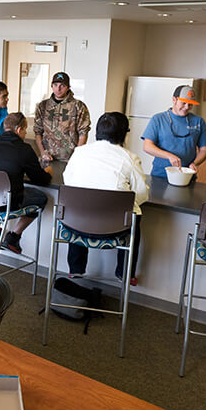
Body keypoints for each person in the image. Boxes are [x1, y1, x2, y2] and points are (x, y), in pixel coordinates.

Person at [63, 112, 149, 285]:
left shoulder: (79, 152)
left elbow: (68, 181)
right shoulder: (130, 158)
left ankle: (76, 269)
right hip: (113, 228)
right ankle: (124, 273)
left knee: (79, 206)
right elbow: (140, 195)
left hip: (76, 225)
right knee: (134, 215)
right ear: (124, 134)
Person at [0, 112, 52, 254]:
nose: (25, 133)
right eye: (25, 130)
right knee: (40, 198)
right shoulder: (24, 149)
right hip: (7, 203)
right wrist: (48, 171)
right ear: (18, 129)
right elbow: (41, 180)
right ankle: (13, 236)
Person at [142, 84, 206, 181]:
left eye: (190, 104)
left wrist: (195, 163)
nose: (187, 107)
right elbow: (147, 146)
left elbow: (204, 150)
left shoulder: (198, 122)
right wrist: (169, 156)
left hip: (187, 176)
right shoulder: (158, 119)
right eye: (183, 103)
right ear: (174, 100)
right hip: (160, 175)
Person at [33, 71, 92, 165]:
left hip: (70, 159)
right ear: (51, 86)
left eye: (62, 85)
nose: (58, 89)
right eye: (55, 85)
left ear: (68, 87)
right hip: (48, 158)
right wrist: (42, 152)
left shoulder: (78, 106)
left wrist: (77, 155)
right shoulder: (43, 106)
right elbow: (38, 131)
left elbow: (83, 132)